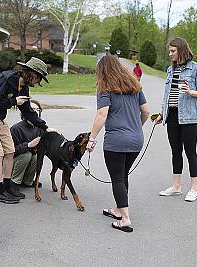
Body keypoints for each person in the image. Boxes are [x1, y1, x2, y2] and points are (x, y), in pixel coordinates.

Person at [87, 55, 149, 232]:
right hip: (137, 139)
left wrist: (91, 138)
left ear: (102, 71)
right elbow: (145, 111)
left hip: (116, 141)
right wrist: (137, 127)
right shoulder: (134, 85)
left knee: (118, 178)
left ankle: (126, 219)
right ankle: (118, 210)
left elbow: (102, 114)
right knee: (123, 175)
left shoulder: (105, 87)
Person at [0, 57, 56, 204]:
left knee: (10, 152)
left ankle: (7, 186)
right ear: (31, 73)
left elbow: (28, 112)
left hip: (1, 119)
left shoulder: (23, 87)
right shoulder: (7, 80)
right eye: (38, 77)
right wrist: (13, 101)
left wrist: (45, 127)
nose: (38, 81)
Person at [154, 37, 197, 202]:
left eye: (173, 51)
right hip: (172, 115)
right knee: (176, 151)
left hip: (189, 117)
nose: (170, 54)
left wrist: (192, 92)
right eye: (169, 51)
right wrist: (162, 113)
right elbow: (167, 94)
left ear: (182, 50)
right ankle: (176, 187)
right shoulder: (171, 70)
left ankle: (193, 189)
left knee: (190, 152)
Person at [10, 99, 45, 192]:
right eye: (32, 109)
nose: (36, 112)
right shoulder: (15, 128)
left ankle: (27, 181)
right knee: (27, 155)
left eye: (38, 110)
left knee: (35, 156)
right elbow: (11, 152)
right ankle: (14, 182)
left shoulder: (40, 127)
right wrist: (28, 145)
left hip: (28, 158)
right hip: (12, 162)